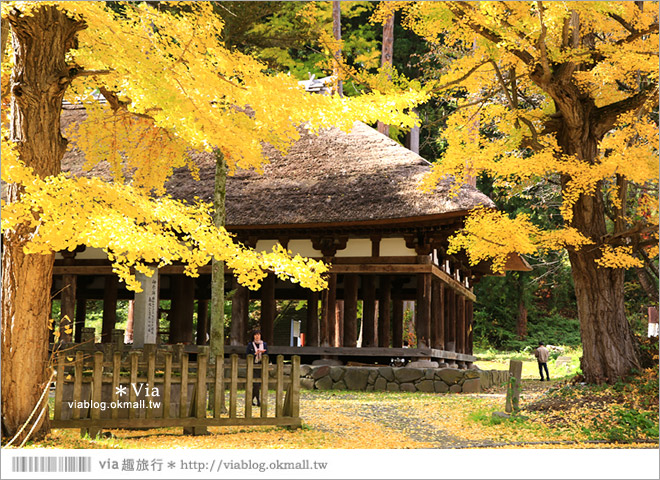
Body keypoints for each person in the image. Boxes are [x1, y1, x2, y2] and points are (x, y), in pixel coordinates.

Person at [246, 330, 268, 406]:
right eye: (255, 335)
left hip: (261, 365)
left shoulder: (264, 344)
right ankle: (258, 400)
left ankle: (252, 400)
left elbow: (267, 354)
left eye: (258, 334)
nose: (257, 336)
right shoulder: (250, 345)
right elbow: (247, 355)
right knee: (255, 384)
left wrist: (263, 352)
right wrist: (255, 353)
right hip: (253, 366)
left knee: (259, 384)